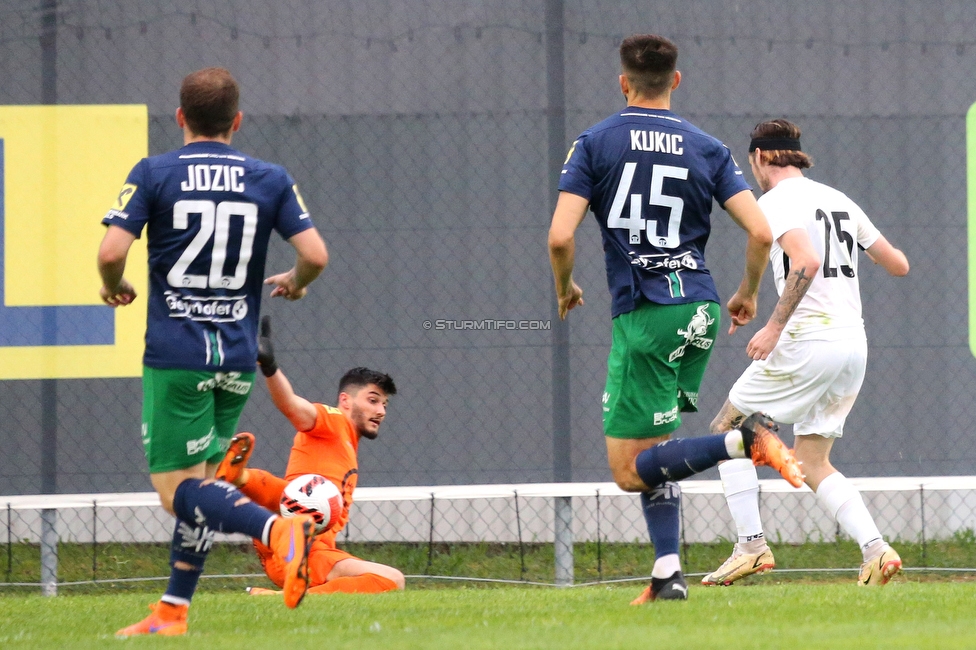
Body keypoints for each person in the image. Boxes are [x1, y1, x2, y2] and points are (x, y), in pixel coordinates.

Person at [547, 34, 803, 604]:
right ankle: (668, 573)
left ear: (623, 83)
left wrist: (565, 288)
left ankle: (743, 441)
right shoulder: (707, 147)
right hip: (702, 310)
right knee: (658, 447)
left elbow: (561, 236)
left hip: (647, 314)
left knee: (629, 468)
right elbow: (762, 232)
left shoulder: (594, 143)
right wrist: (748, 294)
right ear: (676, 81)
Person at [98, 67, 329, 637]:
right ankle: (173, 611)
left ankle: (279, 531)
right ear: (237, 121)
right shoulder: (269, 177)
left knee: (177, 494)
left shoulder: (154, 172)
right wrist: (297, 281)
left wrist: (114, 283)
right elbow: (316, 255)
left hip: (177, 355)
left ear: (179, 117)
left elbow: (110, 250)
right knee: (201, 487)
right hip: (235, 356)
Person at [702, 119, 910, 588]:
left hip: (807, 341)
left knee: (725, 429)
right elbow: (898, 264)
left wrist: (774, 327)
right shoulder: (838, 199)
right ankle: (876, 550)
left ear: (758, 158)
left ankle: (751, 546)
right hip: (852, 345)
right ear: (796, 156)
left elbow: (807, 261)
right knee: (813, 461)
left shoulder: (774, 201)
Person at [215, 317, 405, 595]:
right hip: (297, 545)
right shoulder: (334, 421)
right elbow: (292, 406)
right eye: (373, 400)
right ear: (345, 401)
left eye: (384, 404)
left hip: (302, 548)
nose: (381, 411)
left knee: (379, 579)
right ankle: (241, 477)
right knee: (393, 580)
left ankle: (242, 478)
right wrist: (269, 368)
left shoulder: (348, 445)